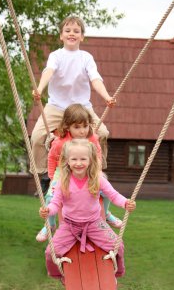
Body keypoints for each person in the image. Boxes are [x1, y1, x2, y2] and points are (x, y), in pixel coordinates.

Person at [39, 139, 136, 281]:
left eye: (83, 159)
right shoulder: (63, 181)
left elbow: (113, 195)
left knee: (118, 246)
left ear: (90, 160)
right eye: (74, 159)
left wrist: (126, 203)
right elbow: (55, 204)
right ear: (67, 160)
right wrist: (48, 210)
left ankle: (116, 272)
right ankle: (58, 274)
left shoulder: (97, 179)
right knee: (50, 252)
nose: (78, 163)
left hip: (94, 223)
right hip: (69, 225)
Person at [31, 15, 115, 178]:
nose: (72, 33)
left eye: (76, 31)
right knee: (36, 137)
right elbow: (49, 71)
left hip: (82, 107)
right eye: (67, 30)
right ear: (61, 35)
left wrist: (107, 97)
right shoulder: (56, 56)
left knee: (103, 132)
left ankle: (98, 167)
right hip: (57, 106)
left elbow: (95, 78)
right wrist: (40, 88)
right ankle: (41, 172)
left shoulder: (86, 57)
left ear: (81, 36)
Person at [36, 103, 122, 242]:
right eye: (77, 127)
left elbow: (98, 154)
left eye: (85, 126)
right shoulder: (59, 142)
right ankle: (50, 224)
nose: (82, 131)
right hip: (63, 171)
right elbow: (52, 158)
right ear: (67, 126)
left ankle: (105, 213)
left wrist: (96, 172)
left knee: (106, 190)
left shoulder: (92, 138)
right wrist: (52, 177)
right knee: (50, 197)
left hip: (88, 170)